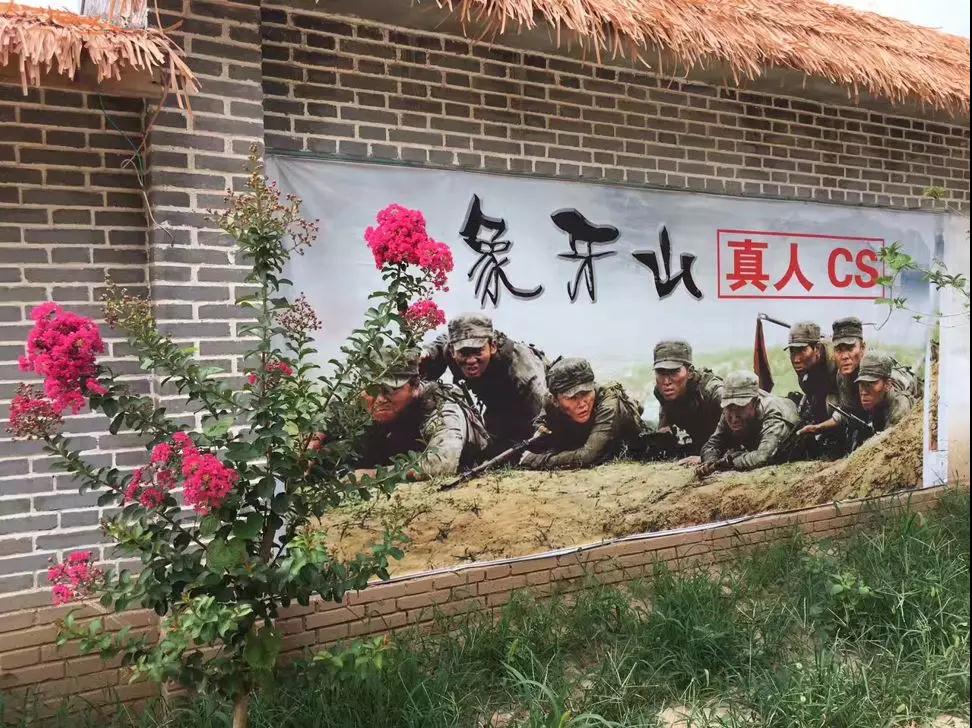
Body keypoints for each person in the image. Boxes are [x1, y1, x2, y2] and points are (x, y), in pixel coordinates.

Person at [421, 313, 548, 454]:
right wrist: (427, 353)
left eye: (478, 351)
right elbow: (443, 341)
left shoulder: (521, 367)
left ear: (492, 346)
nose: (471, 360)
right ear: (452, 351)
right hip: (497, 407)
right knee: (489, 450)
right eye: (464, 353)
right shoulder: (450, 349)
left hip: (532, 406)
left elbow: (544, 407)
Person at [355, 348, 488, 479]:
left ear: (415, 386)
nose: (379, 399)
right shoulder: (358, 404)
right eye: (371, 389)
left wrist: (369, 475)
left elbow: (441, 464)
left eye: (390, 390)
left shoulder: (441, 411)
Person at [798, 317, 919, 446]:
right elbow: (847, 411)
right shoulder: (843, 376)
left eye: (850, 349)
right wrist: (819, 428)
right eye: (839, 350)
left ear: (862, 347)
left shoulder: (881, 372)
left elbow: (899, 411)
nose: (844, 356)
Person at [520, 357, 646, 470]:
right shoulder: (549, 400)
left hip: (625, 442)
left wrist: (534, 460)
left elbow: (588, 456)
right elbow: (540, 423)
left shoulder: (609, 402)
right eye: (572, 397)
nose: (582, 404)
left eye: (586, 393)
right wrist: (541, 429)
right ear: (555, 400)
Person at [698, 370, 800, 476]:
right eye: (729, 407)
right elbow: (712, 445)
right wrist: (710, 461)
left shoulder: (774, 415)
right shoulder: (729, 411)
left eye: (740, 407)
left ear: (756, 403)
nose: (734, 417)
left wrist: (728, 463)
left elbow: (763, 457)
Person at [650, 339, 723, 465]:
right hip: (699, 445)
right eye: (660, 372)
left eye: (674, 372)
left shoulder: (711, 390)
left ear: (690, 372)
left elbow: (741, 423)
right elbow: (665, 411)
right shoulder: (661, 392)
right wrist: (664, 430)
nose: (666, 381)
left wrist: (707, 457)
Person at [785, 321, 838, 425]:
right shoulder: (805, 367)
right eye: (792, 351)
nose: (796, 359)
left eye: (801, 350)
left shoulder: (835, 360)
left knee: (832, 402)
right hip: (819, 391)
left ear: (817, 348)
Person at [856, 350, 915, 434]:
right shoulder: (876, 396)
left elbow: (889, 439)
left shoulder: (900, 405)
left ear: (887, 385)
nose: (864, 392)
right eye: (862, 384)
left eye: (870, 384)